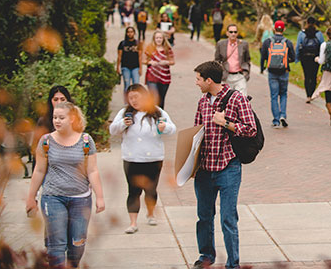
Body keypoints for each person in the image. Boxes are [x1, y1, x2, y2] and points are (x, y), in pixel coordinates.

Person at [192, 61, 257, 269]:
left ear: (209, 80)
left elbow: (251, 129)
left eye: (198, 79)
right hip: (204, 170)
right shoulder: (203, 102)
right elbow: (197, 131)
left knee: (228, 219)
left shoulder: (236, 99)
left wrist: (226, 123)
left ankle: (233, 264)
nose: (197, 83)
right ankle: (206, 256)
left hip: (228, 168)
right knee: (204, 217)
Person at [25, 102, 105, 269]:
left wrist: (100, 197)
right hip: (53, 198)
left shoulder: (85, 140)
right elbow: (39, 171)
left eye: (62, 118)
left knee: (77, 244)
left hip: (80, 199)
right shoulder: (46, 141)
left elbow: (92, 171)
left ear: (72, 119)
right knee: (57, 245)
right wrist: (31, 197)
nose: (57, 121)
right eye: (55, 117)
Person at [109, 84, 176, 234]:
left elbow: (172, 129)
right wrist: (122, 124)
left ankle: (151, 213)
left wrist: (164, 127)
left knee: (150, 189)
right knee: (133, 191)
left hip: (153, 157)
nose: (133, 101)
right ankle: (133, 222)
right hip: (132, 158)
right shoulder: (125, 113)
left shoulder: (157, 111)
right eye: (130, 98)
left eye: (136, 97)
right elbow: (112, 130)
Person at [260, 20, 295, 128]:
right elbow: (293, 58)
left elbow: (263, 57)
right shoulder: (287, 42)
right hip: (284, 71)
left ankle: (276, 120)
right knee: (283, 94)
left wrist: (262, 68)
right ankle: (283, 115)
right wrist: (284, 61)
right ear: (284, 29)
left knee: (274, 96)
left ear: (274, 29)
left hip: (272, 72)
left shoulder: (267, 41)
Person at [32, 86, 74, 173]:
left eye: (62, 99)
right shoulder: (44, 121)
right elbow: (37, 149)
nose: (59, 102)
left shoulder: (74, 120)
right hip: (49, 170)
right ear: (50, 101)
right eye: (55, 99)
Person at [215, 24, 251, 95]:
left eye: (235, 32)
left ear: (237, 33)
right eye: (231, 32)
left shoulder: (243, 44)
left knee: (242, 99)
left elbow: (247, 59)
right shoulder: (220, 44)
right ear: (227, 33)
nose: (233, 34)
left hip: (240, 76)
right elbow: (217, 60)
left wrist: (246, 72)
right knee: (226, 100)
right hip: (226, 76)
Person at [295, 17, 324, 103]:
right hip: (315, 58)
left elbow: (298, 46)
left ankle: (308, 95)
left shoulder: (301, 33)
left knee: (307, 76)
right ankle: (312, 93)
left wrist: (297, 58)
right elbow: (322, 46)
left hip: (305, 58)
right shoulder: (319, 34)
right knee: (313, 76)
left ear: (306, 22)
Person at [144, 31, 175, 109]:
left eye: (160, 38)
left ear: (163, 39)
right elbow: (143, 60)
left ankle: (160, 118)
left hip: (164, 77)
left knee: (161, 100)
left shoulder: (167, 49)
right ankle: (153, 116)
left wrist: (166, 62)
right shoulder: (150, 48)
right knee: (154, 98)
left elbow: (172, 61)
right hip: (152, 76)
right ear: (154, 39)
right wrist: (150, 62)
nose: (158, 39)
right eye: (157, 38)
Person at [117, 26, 143, 92]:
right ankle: (127, 101)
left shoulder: (138, 43)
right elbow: (119, 56)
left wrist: (140, 68)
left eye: (131, 32)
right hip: (125, 66)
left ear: (134, 33)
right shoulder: (122, 44)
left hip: (135, 67)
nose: (130, 34)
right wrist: (117, 67)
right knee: (127, 85)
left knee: (136, 85)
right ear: (126, 33)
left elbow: (140, 56)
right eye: (128, 32)